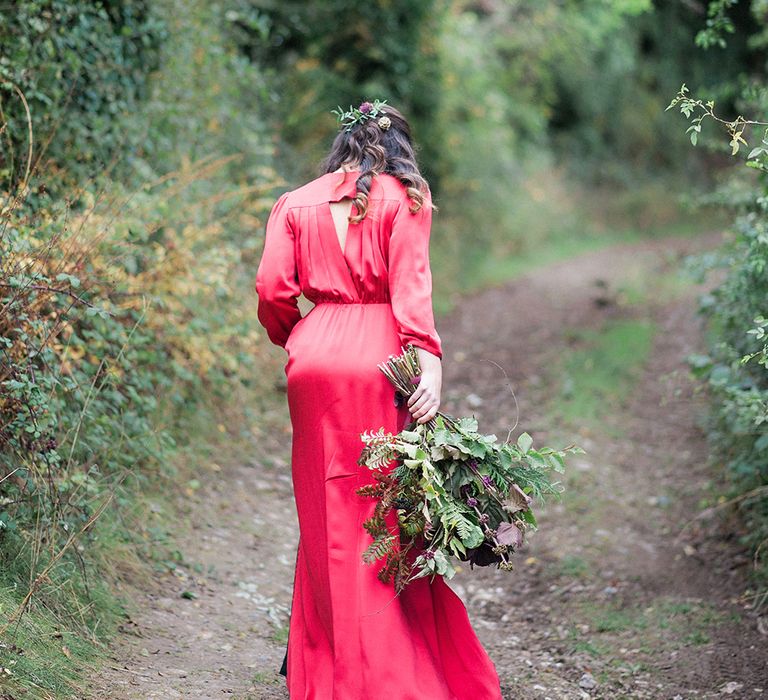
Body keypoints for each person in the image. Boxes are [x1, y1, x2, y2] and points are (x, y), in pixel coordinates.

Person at [255, 100, 503, 699]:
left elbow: (270, 290)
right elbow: (411, 292)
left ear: (341, 145)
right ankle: (386, 666)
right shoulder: (407, 199)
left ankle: (327, 659)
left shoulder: (295, 202)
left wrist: (305, 337)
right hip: (381, 361)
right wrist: (430, 360)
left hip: (312, 363)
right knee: (382, 512)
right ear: (399, 148)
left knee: (324, 510)